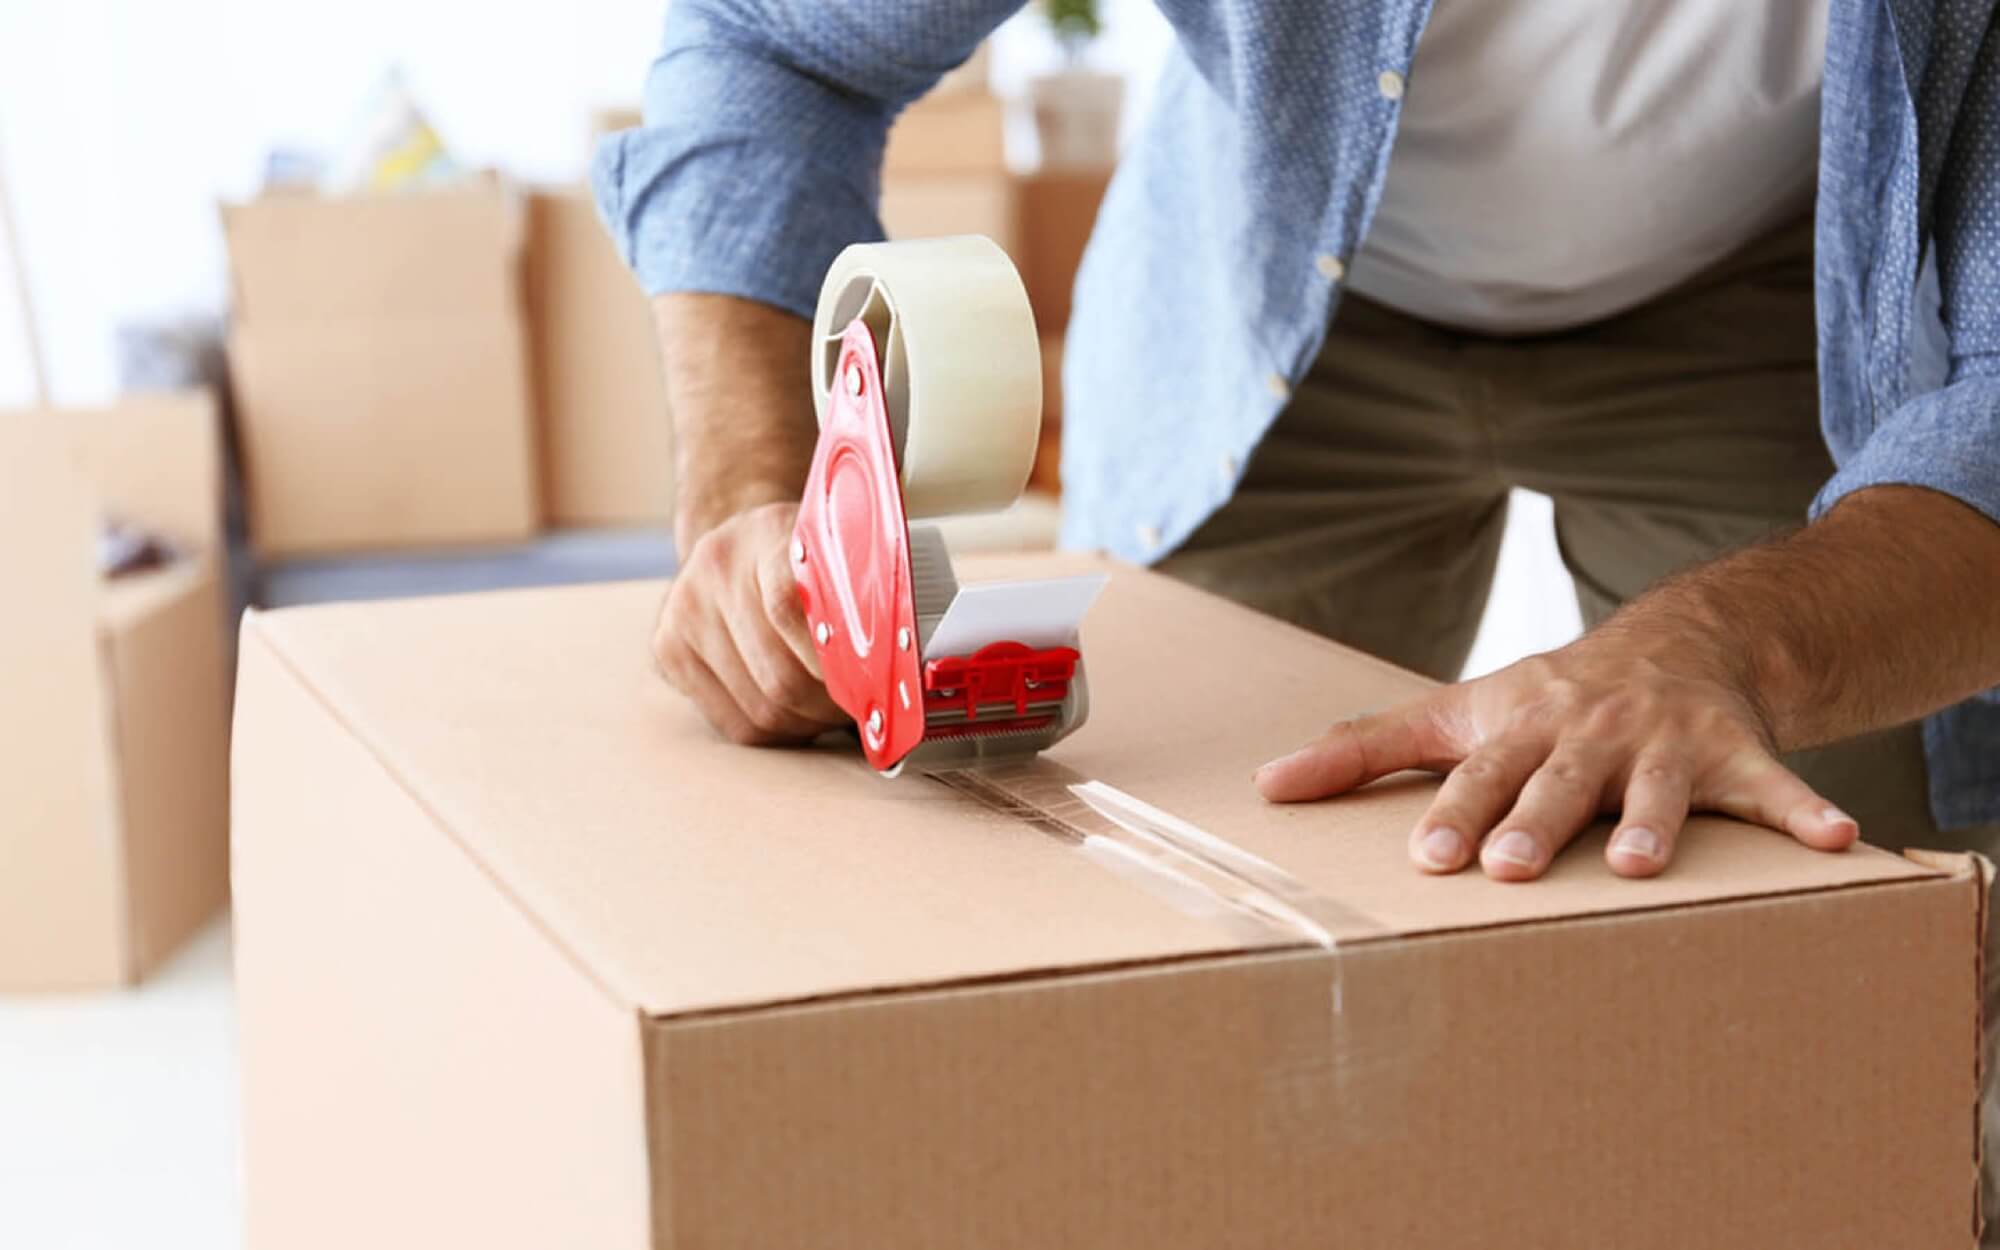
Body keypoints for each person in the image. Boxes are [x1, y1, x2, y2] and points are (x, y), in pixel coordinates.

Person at [592, 2, 1998, 881]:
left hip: (1764, 292)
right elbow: (774, 45)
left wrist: (1736, 648)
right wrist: (755, 491)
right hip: (1276, 284)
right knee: (1159, 868)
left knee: (1845, 918)